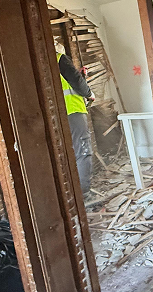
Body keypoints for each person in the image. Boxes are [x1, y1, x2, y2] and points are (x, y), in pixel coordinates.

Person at [56, 46, 95, 194]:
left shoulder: (41, 63)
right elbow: (78, 83)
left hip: (57, 115)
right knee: (83, 151)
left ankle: (69, 191)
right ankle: (83, 192)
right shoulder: (60, 58)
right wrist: (89, 93)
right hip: (73, 111)